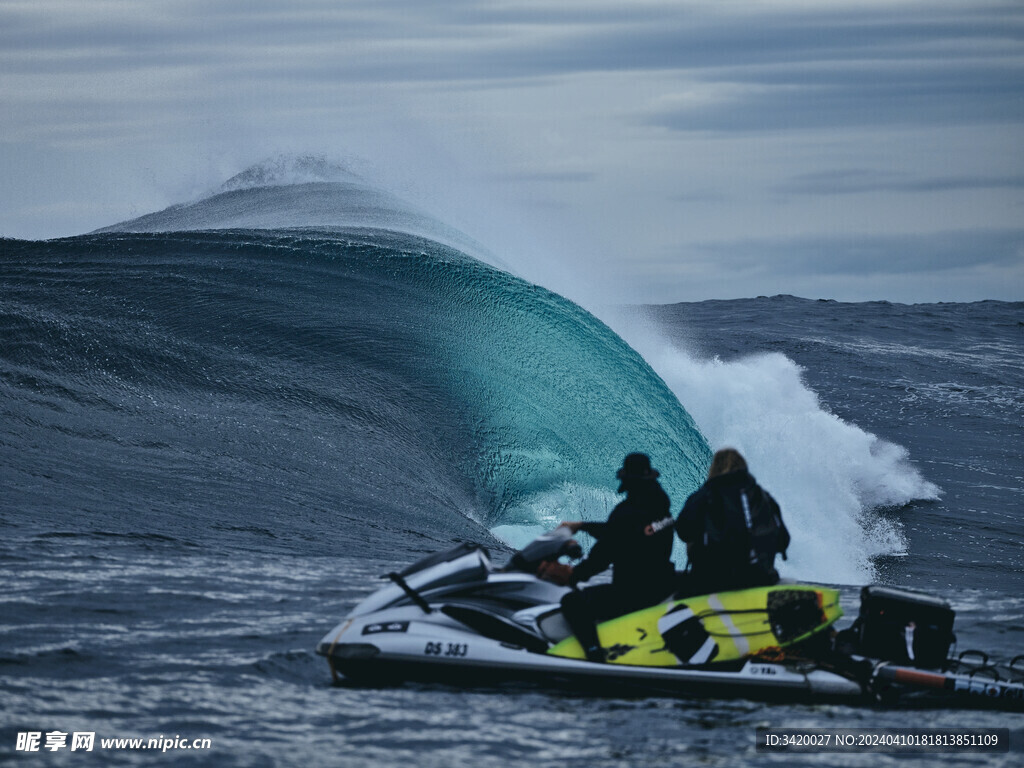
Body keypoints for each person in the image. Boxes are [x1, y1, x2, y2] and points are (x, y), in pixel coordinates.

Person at [545, 453, 676, 663]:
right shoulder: (660, 507)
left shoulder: (627, 513)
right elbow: (624, 533)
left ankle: (594, 654)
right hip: (662, 585)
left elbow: (603, 556)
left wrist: (573, 577)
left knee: (572, 602)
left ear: (627, 480)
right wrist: (583, 526)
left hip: (635, 593)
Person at [674, 448, 790, 597]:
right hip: (762, 578)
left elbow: (683, 531)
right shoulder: (764, 497)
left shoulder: (704, 496)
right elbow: (783, 541)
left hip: (714, 583)